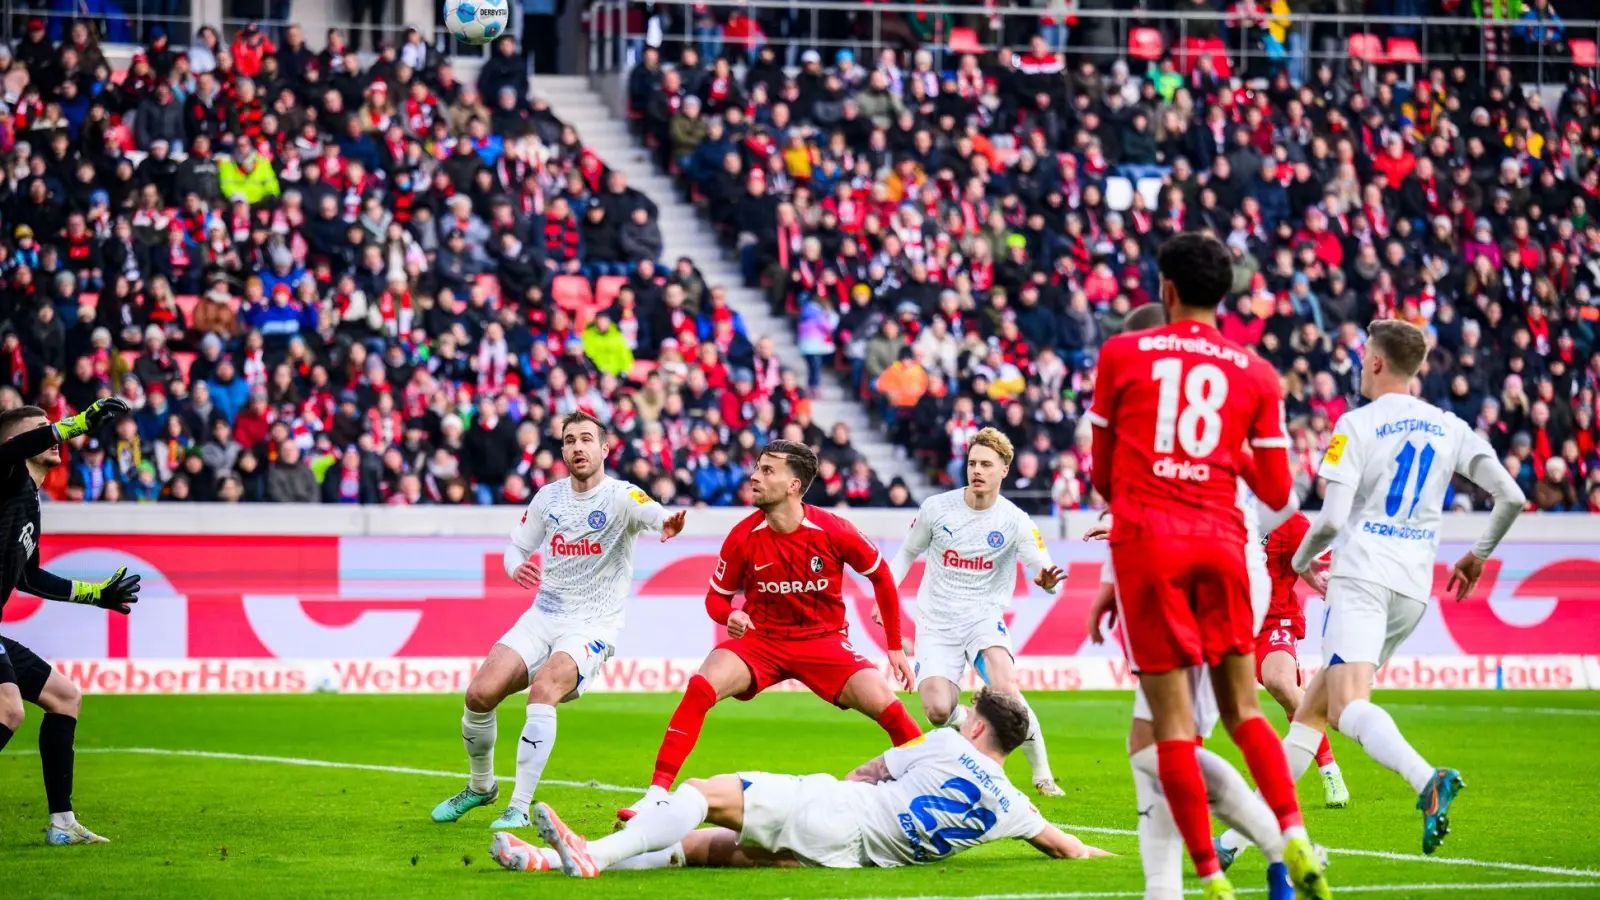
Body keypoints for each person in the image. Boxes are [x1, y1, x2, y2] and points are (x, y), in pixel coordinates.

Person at [1087, 233, 1327, 900]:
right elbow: (1280, 495)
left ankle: (1212, 876)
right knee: (1246, 713)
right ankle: (1291, 836)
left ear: (1165, 289)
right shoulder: (1254, 372)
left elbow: (1103, 477)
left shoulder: (1122, 353)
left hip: (1151, 547)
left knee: (1164, 734)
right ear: (1225, 294)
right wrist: (1223, 459)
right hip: (1225, 548)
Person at [1256, 319, 1525, 857]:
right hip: (1412, 589)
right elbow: (1511, 496)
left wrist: (1303, 561)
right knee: (1311, 713)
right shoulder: (1449, 425)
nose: (1359, 366)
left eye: (1362, 358)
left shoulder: (1355, 425)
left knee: (1345, 708)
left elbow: (1330, 521)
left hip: (1360, 579)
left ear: (1377, 362)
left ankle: (1428, 779)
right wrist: (1477, 556)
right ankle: (1242, 837)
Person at [620, 440, 921, 822]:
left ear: (793, 485)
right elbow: (715, 599)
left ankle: (937, 787)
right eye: (757, 468)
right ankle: (656, 794)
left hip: (824, 641)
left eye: (767, 470)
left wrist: (894, 646)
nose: (754, 476)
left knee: (888, 706)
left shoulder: (834, 529)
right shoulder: (743, 536)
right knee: (701, 686)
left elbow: (881, 576)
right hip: (762, 641)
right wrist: (729, 614)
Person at [491, 690, 1110, 876]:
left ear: (975, 725)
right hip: (852, 860)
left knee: (705, 793)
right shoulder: (1016, 807)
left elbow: (868, 773)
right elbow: (1067, 847)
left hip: (842, 810)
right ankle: (547, 861)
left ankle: (592, 856)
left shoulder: (947, 741)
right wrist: (1104, 853)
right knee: (715, 851)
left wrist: (831, 795)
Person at [430, 412, 687, 829]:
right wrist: (515, 568)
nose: (578, 447)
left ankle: (518, 806)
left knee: (544, 690)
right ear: (563, 450)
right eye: (569, 441)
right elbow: (515, 548)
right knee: (479, 695)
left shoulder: (623, 496)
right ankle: (481, 788)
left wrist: (668, 523)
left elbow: (654, 513)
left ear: (604, 449)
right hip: (543, 615)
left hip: (592, 625)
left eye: (587, 439)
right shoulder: (548, 498)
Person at [873, 426, 1067, 797]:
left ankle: (1042, 775)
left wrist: (1047, 582)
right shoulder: (936, 508)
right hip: (936, 622)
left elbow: (1047, 574)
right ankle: (968, 719)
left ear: (1004, 470)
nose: (977, 470)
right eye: (972, 463)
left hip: (983, 617)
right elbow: (907, 554)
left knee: (1007, 689)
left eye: (986, 464)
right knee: (936, 710)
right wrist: (887, 595)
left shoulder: (1015, 520)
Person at [0, 398, 141, 845]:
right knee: (9, 709)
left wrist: (95, 594)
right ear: (17, 441)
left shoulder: (31, 502)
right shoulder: (5, 475)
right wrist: (76, 423)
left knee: (65, 697)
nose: (54, 433)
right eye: (41, 427)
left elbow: (30, 577)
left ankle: (62, 824)